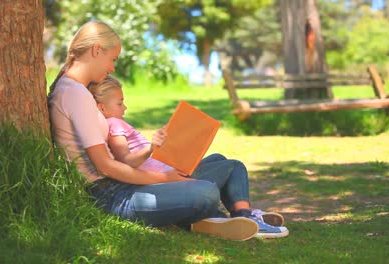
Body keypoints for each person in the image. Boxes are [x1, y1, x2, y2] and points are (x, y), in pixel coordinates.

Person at [48, 20, 289, 240]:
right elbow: (106, 166)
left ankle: (227, 219)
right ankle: (214, 219)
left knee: (221, 163)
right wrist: (162, 179)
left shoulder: (75, 90)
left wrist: (164, 171)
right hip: (112, 195)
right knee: (205, 192)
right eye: (113, 58)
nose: (112, 67)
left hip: (125, 184)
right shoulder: (75, 94)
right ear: (96, 50)